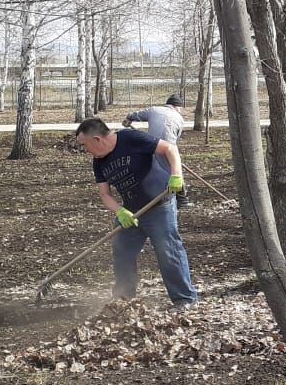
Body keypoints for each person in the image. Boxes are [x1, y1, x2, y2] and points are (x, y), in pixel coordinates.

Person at [75, 117, 198, 306]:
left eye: (85, 145)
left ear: (97, 139)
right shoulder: (98, 162)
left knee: (168, 252)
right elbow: (104, 194)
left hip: (159, 206)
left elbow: (169, 149)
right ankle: (124, 298)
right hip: (132, 212)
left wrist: (176, 175)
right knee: (122, 251)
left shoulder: (130, 139)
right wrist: (120, 211)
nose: (85, 150)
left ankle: (184, 300)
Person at [123, 93, 190, 207]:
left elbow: (137, 115)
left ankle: (152, 192)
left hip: (152, 144)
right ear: (177, 106)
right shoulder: (179, 118)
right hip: (168, 146)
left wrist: (129, 118)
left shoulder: (154, 110)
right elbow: (176, 136)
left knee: (153, 167)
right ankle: (181, 198)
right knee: (174, 169)